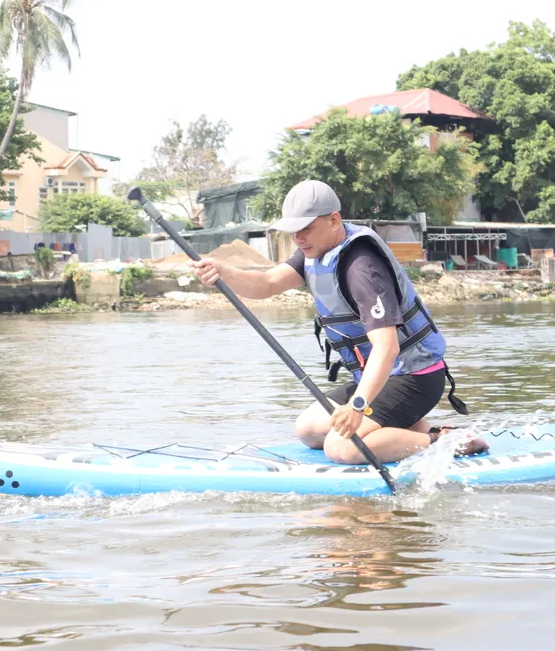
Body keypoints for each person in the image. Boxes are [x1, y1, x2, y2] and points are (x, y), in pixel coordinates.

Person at [191, 179, 488, 465]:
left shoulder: (362, 268)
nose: (298, 238)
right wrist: (223, 272)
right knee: (308, 430)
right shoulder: (315, 252)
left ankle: (445, 443)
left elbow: (387, 348)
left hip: (414, 378)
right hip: (378, 377)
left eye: (305, 229)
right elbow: (266, 284)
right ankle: (418, 428)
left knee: (340, 446)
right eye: (293, 231)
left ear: (334, 220)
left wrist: (358, 406)